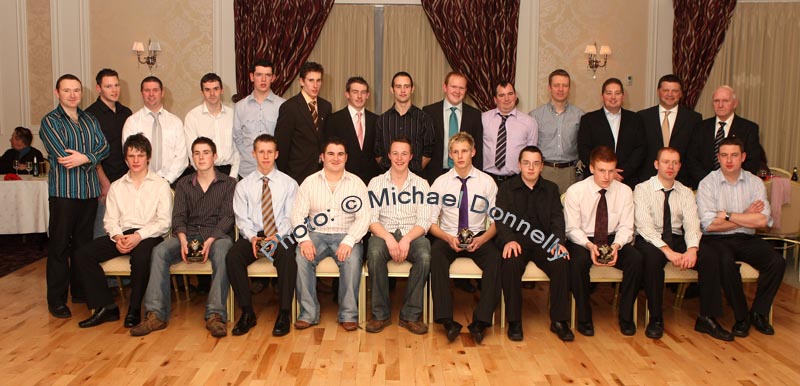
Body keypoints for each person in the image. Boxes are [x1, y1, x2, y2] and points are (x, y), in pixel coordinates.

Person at [131, 137, 236, 337]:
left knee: (223, 251)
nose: (201, 157)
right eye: (196, 153)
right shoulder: (183, 184)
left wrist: (210, 240)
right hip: (187, 235)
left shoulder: (229, 183)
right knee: (160, 250)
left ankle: (215, 315)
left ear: (214, 156)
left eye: (206, 152)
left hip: (217, 236)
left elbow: (228, 217)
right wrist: (181, 239)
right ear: (192, 158)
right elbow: (178, 216)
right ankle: (156, 315)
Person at [73, 134, 172, 328]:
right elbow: (109, 220)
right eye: (131, 156)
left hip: (149, 235)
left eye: (140, 155)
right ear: (126, 158)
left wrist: (138, 236)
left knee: (142, 256)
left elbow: (164, 222)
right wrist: (118, 236)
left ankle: (134, 308)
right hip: (122, 233)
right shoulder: (117, 187)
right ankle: (105, 306)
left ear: (148, 157)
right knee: (82, 254)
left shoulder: (161, 185)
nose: (136, 160)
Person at [633, 147, 731, 341]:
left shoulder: (685, 192)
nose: (670, 166)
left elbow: (692, 224)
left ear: (679, 166)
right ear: (656, 164)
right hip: (651, 239)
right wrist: (668, 252)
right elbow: (644, 226)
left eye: (675, 163)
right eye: (666, 162)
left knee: (710, 255)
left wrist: (692, 250)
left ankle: (707, 317)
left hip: (677, 237)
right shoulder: (641, 189)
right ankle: (655, 318)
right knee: (652, 260)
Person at [696, 137, 786, 337]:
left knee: (777, 262)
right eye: (724, 155)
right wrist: (746, 214)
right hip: (716, 239)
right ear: (718, 158)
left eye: (734, 155)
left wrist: (729, 215)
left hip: (746, 239)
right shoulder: (707, 183)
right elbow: (710, 224)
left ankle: (759, 313)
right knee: (725, 262)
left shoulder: (754, 183)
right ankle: (741, 317)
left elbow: (762, 221)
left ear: (743, 157)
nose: (729, 160)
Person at [39, 74, 110, 319]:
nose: (72, 95)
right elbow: (63, 156)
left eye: (77, 90)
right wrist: (91, 157)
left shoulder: (90, 119)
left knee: (82, 247)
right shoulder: (50, 121)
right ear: (57, 93)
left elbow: (105, 147)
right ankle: (57, 300)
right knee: (60, 247)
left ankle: (80, 292)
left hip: (89, 193)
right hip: (64, 194)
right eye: (67, 90)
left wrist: (85, 157)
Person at [495, 146, 573, 342]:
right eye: (526, 163)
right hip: (517, 241)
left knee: (561, 260)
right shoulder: (506, 188)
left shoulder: (551, 189)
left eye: (536, 163)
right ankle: (514, 321)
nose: (531, 168)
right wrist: (509, 240)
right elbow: (501, 220)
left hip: (544, 241)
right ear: (519, 165)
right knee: (510, 261)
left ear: (542, 166)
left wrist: (557, 242)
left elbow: (557, 219)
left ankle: (559, 321)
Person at [429, 132, 500, 344]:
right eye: (456, 152)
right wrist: (447, 238)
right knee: (436, 255)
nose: (460, 156)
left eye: (465, 151)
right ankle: (447, 321)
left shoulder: (487, 182)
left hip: (479, 235)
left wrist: (483, 239)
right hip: (448, 234)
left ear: (473, 152)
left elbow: (496, 222)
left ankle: (480, 322)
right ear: (450, 154)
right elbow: (431, 223)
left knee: (495, 259)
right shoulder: (440, 183)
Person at [225, 134, 299, 336]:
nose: (265, 156)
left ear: (276, 154)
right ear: (254, 154)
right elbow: (241, 218)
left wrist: (277, 237)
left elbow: (291, 216)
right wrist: (252, 237)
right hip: (254, 235)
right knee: (233, 257)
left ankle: (284, 313)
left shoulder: (289, 183)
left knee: (287, 258)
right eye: (261, 152)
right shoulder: (243, 185)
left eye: (269, 152)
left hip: (280, 235)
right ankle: (247, 312)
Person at [565, 145, 642, 336]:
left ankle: (626, 317)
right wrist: (590, 246)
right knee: (578, 262)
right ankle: (584, 318)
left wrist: (616, 246)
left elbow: (626, 227)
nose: (607, 177)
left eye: (611, 171)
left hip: (613, 238)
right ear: (591, 169)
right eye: (601, 171)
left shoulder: (624, 191)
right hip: (584, 239)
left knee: (636, 259)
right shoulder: (576, 191)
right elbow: (572, 229)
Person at [365, 137, 432, 335]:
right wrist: (388, 238)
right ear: (389, 156)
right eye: (395, 153)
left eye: (404, 153)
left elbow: (425, 220)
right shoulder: (376, 183)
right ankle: (380, 315)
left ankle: (410, 315)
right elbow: (370, 218)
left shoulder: (421, 184)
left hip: (412, 233)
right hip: (383, 231)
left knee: (425, 255)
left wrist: (406, 239)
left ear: (411, 156)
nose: (399, 158)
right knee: (375, 253)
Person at [85, 69, 133, 238]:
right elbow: (91, 152)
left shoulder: (126, 113)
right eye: (108, 86)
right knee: (102, 227)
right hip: (103, 180)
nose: (114, 90)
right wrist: (104, 182)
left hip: (125, 177)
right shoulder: (90, 115)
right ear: (99, 88)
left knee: (125, 226)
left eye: (116, 85)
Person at [687, 85, 763, 189]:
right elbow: (691, 159)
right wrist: (709, 182)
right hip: (704, 186)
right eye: (716, 101)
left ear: (735, 104)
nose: (720, 105)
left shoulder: (749, 128)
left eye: (725, 101)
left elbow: (752, 161)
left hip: (737, 188)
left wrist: (730, 182)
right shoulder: (700, 127)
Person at [577, 78, 645, 189]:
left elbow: (640, 149)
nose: (613, 97)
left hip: (626, 179)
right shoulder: (588, 120)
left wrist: (620, 173)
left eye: (617, 93)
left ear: (623, 96)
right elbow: (583, 149)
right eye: (609, 93)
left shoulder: (635, 119)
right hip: (596, 180)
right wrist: (604, 172)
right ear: (602, 96)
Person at [637, 74, 702, 186]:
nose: (670, 94)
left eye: (675, 91)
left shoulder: (693, 119)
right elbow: (639, 149)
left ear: (681, 93)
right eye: (666, 90)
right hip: (648, 179)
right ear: (658, 92)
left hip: (681, 180)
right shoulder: (643, 117)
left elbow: (694, 153)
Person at [275, 61, 333, 184]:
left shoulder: (326, 106)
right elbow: (282, 145)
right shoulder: (289, 107)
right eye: (311, 80)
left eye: (318, 80)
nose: (315, 85)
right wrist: (286, 176)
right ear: (301, 81)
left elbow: (327, 139)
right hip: (296, 174)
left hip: (322, 173)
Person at [122, 76, 187, 184]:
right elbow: (129, 155)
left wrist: (166, 180)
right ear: (142, 93)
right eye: (147, 90)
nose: (151, 94)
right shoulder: (132, 122)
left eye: (155, 90)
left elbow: (181, 157)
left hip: (171, 182)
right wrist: (146, 179)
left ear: (162, 93)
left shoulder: (176, 122)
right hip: (140, 182)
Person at [422, 71, 483, 185]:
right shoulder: (429, 112)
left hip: (464, 176)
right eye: (453, 87)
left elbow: (478, 149)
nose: (457, 91)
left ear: (465, 90)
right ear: (445, 87)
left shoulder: (475, 115)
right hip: (434, 175)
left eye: (461, 88)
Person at [530, 69, 585, 193]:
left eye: (565, 85)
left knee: (568, 210)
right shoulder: (535, 116)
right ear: (549, 88)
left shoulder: (580, 116)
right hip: (544, 171)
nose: (561, 89)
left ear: (569, 88)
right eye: (556, 85)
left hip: (570, 173)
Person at [374, 71, 435, 176]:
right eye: (398, 86)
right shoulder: (382, 120)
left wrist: (414, 172)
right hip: (387, 180)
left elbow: (428, 152)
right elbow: (377, 152)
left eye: (406, 86)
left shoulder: (424, 118)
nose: (403, 90)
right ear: (392, 89)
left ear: (412, 89)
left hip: (416, 179)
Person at [232, 59, 285, 179]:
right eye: (259, 75)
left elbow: (285, 139)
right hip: (246, 171)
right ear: (251, 77)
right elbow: (237, 138)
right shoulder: (240, 106)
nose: (263, 79)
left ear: (273, 78)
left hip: (274, 172)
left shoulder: (283, 105)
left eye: (267, 75)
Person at [324, 76, 379, 185]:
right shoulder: (334, 120)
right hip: (342, 181)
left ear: (368, 95)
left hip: (371, 182)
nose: (359, 96)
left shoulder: (377, 120)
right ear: (347, 94)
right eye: (355, 92)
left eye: (363, 92)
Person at [184, 73, 240, 178]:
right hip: (203, 173)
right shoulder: (192, 117)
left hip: (230, 172)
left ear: (222, 90)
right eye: (207, 90)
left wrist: (233, 176)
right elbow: (193, 152)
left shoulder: (233, 115)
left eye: (216, 89)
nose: (212, 93)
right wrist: (204, 176)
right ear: (202, 92)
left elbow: (238, 150)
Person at [482, 80, 537, 186]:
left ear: (515, 96)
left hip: (516, 180)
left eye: (510, 94)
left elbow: (531, 155)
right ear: (495, 99)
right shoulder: (483, 119)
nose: (506, 99)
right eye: (501, 95)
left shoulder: (529, 122)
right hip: (487, 179)